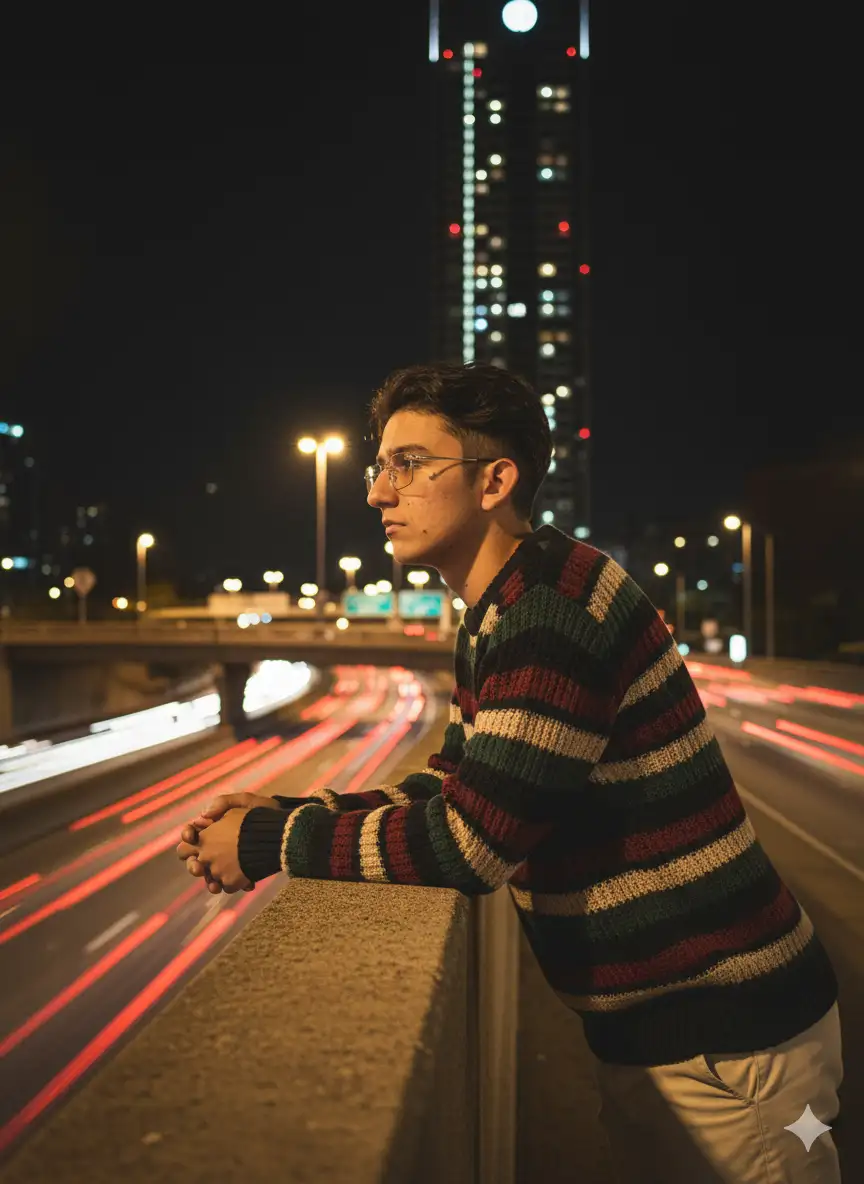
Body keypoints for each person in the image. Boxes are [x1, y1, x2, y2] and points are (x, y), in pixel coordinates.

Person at [176, 363, 843, 1183]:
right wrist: (289, 808)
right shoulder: (510, 601)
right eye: (378, 465)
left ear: (496, 479)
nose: (380, 493)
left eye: (410, 464)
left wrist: (271, 842)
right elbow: (460, 783)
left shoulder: (549, 615)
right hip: (687, 1031)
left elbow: (471, 844)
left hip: (729, 1045)